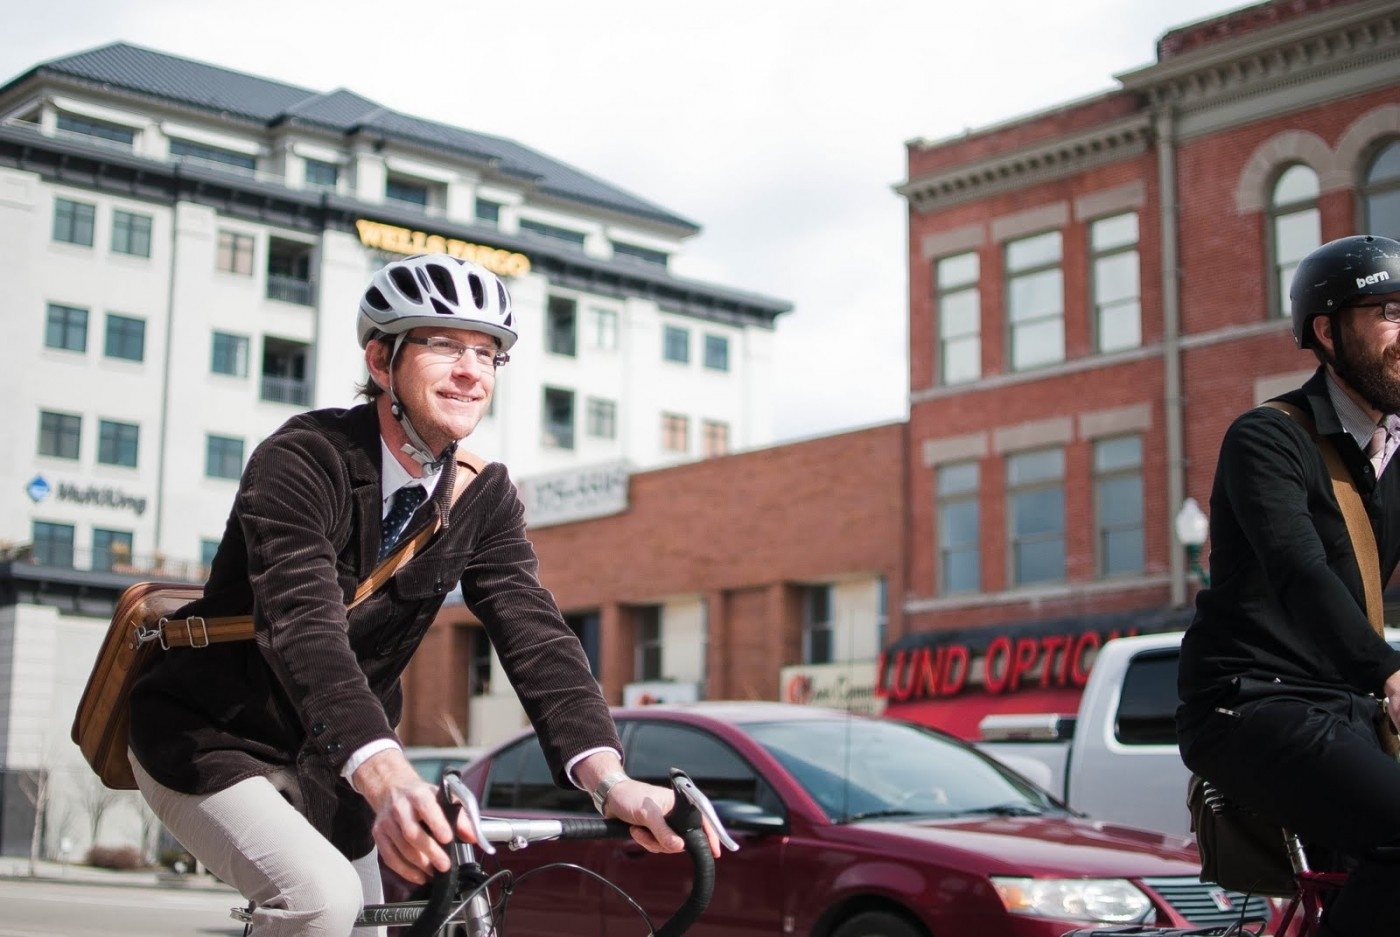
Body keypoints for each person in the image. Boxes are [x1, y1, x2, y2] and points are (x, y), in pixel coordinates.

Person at [127, 253, 708, 936]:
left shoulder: (482, 495)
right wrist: (392, 776)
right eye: (444, 345)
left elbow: (538, 638)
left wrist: (611, 780)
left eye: (488, 353)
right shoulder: (304, 458)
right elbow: (304, 628)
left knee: (372, 927)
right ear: (381, 360)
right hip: (210, 733)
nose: (471, 370)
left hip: (330, 763)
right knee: (323, 900)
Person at [1177, 234, 1400, 936]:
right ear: (1327, 332)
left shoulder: (1394, 453)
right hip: (1251, 703)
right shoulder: (1269, 439)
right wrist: (1389, 673)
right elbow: (1300, 570)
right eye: (1389, 311)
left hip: (1342, 706)